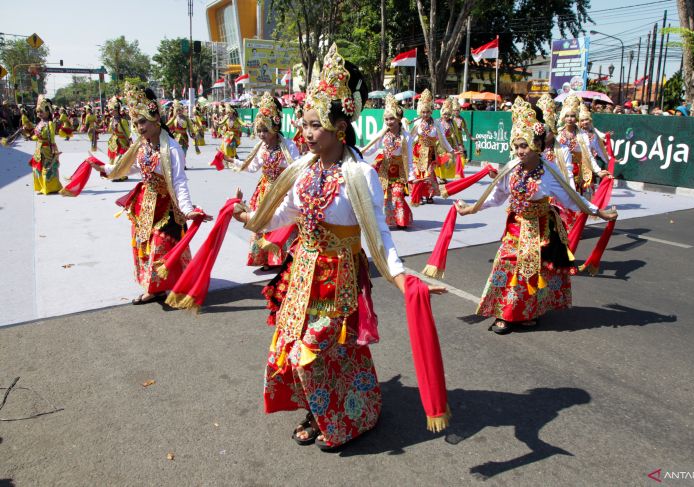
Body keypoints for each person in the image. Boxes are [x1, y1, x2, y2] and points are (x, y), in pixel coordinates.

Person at [231, 44, 444, 450]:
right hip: (300, 274)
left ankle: (354, 416)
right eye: (304, 123)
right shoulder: (301, 170)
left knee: (316, 351)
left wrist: (404, 281)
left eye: (315, 125)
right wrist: (248, 215)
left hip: (338, 278)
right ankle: (317, 411)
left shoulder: (359, 173)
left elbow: (379, 237)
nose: (306, 133)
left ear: (339, 126)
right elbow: (282, 218)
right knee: (299, 347)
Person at [456, 98, 618, 334]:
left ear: (538, 145)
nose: (520, 151)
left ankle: (522, 314)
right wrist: (472, 209)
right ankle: (506, 312)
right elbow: (497, 196)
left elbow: (571, 198)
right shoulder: (511, 168)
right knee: (506, 262)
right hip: (515, 226)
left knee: (530, 270)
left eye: (525, 146)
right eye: (517, 145)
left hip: (539, 227)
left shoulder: (549, 172)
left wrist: (598, 211)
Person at [89, 83, 210, 304]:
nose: (138, 127)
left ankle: (168, 285)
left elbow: (179, 181)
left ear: (155, 119)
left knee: (161, 245)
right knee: (143, 244)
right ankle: (153, 288)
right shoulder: (142, 145)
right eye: (135, 123)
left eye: (142, 121)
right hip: (144, 204)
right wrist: (107, 169)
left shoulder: (171, 149)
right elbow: (131, 167)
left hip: (166, 206)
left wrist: (188, 209)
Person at [224, 92, 299, 269]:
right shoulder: (261, 148)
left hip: (282, 192)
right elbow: (251, 167)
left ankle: (285, 258)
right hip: (264, 192)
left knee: (282, 222)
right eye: (259, 130)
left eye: (265, 130)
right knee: (263, 223)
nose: (261, 134)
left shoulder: (288, 146)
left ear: (275, 126)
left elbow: (297, 169)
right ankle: (266, 259)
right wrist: (231, 161)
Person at [361, 93, 414, 229]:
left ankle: (402, 221)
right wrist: (360, 152)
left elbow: (409, 158)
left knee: (398, 195)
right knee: (385, 197)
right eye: (386, 119)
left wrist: (411, 175)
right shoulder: (382, 135)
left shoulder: (406, 137)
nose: (389, 122)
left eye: (392, 119)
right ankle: (388, 221)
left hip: (399, 169)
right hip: (384, 169)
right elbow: (372, 148)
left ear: (398, 119)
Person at [409, 89, 454, 204]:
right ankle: (419, 195)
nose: (425, 114)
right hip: (418, 152)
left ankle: (429, 194)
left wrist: (450, 149)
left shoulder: (436, 123)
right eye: (423, 112)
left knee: (429, 173)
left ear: (431, 112)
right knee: (419, 173)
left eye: (427, 112)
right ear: (420, 111)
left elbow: (443, 138)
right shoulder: (417, 123)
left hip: (431, 152)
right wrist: (406, 149)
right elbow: (411, 137)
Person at [29, 95, 62, 195]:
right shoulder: (40, 123)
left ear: (48, 112)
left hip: (47, 149)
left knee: (47, 169)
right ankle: (42, 187)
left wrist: (54, 151)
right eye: (38, 112)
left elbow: (52, 138)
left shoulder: (50, 124)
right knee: (36, 169)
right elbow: (36, 136)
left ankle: (50, 188)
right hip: (39, 150)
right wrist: (30, 136)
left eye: (41, 111)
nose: (39, 114)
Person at [435, 98, 457, 182]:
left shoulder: (452, 122)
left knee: (449, 160)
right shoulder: (437, 121)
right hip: (439, 144)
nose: (446, 116)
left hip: (449, 143)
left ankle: (444, 176)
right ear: (441, 114)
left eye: (448, 114)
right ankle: (440, 176)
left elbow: (454, 134)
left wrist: (456, 145)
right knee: (441, 159)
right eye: (445, 114)